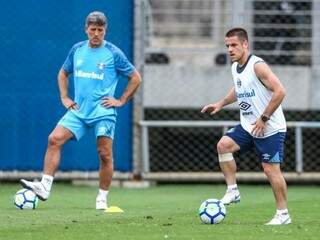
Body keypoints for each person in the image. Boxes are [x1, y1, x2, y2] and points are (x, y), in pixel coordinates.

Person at [20, 11, 141, 210]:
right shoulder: (77, 50)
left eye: (100, 30)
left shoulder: (113, 53)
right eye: (92, 29)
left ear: (105, 30)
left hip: (103, 111)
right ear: (86, 29)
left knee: (104, 154)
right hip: (79, 110)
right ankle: (44, 187)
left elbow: (135, 77)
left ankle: (102, 198)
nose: (96, 34)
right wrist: (65, 97)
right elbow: (62, 72)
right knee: (54, 139)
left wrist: (120, 100)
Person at [201, 28, 291, 225]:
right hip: (249, 126)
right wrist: (220, 104)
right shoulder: (235, 67)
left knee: (270, 169)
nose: (230, 50)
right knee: (223, 146)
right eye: (227, 46)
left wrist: (264, 118)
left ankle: (283, 214)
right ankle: (233, 191)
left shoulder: (258, 66)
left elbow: (280, 91)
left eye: (234, 45)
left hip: (270, 128)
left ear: (245, 45)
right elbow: (239, 88)